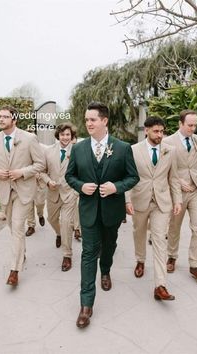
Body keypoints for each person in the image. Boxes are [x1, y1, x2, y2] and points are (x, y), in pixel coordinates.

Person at [65, 101, 139, 328]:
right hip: (88, 211)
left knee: (109, 246)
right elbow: (70, 176)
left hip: (112, 212)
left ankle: (105, 270)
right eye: (86, 119)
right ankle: (86, 304)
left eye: (92, 119)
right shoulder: (78, 148)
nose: (88, 123)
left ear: (104, 121)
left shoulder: (123, 148)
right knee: (88, 254)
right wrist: (80, 186)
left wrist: (116, 187)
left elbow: (132, 177)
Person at [0, 105, 45, 286]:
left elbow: (40, 164)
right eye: (0, 116)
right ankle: (21, 252)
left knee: (17, 227)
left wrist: (22, 172)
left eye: (5, 117)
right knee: (12, 226)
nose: (1, 119)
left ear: (14, 120)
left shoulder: (29, 138)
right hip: (4, 191)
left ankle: (14, 270)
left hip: (24, 191)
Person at [126, 117, 182, 301]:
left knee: (159, 239)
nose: (160, 135)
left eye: (162, 131)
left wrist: (177, 201)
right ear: (147, 130)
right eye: (156, 131)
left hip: (162, 202)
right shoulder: (133, 150)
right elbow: (127, 177)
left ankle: (160, 285)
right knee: (139, 233)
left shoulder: (170, 151)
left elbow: (173, 178)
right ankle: (140, 260)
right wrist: (127, 200)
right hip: (140, 200)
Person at [164, 109, 197, 285]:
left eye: (195, 125)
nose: (193, 128)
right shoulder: (167, 142)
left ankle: (195, 265)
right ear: (180, 124)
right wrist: (177, 181)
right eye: (190, 125)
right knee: (174, 227)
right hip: (177, 191)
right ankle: (172, 256)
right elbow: (164, 168)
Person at [41, 122, 78, 271]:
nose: (65, 137)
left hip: (70, 193)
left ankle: (67, 255)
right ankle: (59, 234)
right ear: (58, 135)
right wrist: (48, 181)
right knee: (52, 219)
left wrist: (76, 190)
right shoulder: (48, 152)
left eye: (68, 134)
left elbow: (82, 172)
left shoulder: (77, 151)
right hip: (53, 193)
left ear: (72, 136)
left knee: (66, 223)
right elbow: (42, 171)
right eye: (62, 134)